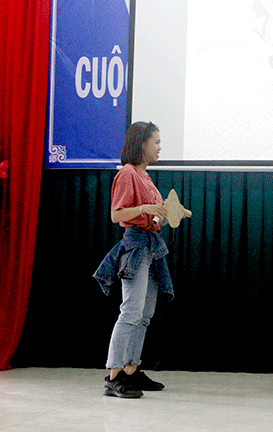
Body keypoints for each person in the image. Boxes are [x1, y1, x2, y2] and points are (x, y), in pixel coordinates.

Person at [93, 122, 172, 399]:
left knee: (144, 315)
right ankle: (114, 376)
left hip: (150, 247)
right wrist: (145, 208)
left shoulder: (144, 176)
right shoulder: (127, 173)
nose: (160, 147)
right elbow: (117, 215)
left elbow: (151, 217)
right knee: (131, 312)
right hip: (136, 247)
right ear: (142, 143)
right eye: (156, 142)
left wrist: (164, 213)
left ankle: (131, 369)